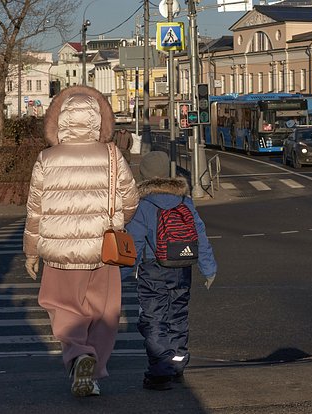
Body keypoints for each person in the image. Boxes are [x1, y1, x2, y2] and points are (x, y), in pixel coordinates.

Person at [23, 85, 139, 398]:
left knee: (63, 307)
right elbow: (131, 199)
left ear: (59, 120)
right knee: (104, 313)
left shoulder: (46, 158)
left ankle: (78, 355)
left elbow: (35, 210)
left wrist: (31, 253)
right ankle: (94, 372)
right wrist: (116, 223)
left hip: (59, 254)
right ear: (99, 120)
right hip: (103, 250)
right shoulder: (112, 155)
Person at [121, 151, 217, 391]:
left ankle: (160, 371)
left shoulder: (143, 204)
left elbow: (135, 243)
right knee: (178, 315)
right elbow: (200, 234)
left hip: (153, 269)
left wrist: (121, 274)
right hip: (182, 267)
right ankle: (177, 364)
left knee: (153, 319)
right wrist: (209, 268)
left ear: (143, 175)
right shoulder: (184, 200)